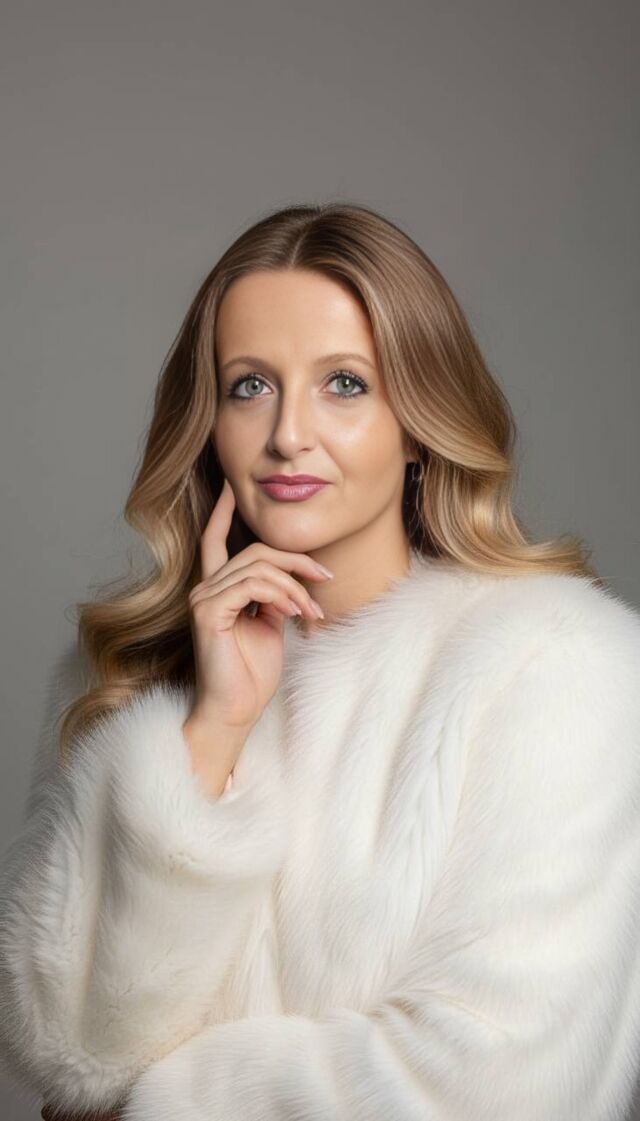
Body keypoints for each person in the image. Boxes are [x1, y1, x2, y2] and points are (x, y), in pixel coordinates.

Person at [2, 202, 640, 1121]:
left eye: (344, 383)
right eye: (249, 386)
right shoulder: (131, 672)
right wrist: (212, 733)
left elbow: (502, 1086)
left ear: (417, 419)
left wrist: (154, 1104)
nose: (288, 433)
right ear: (208, 421)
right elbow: (67, 1050)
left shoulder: (557, 667)